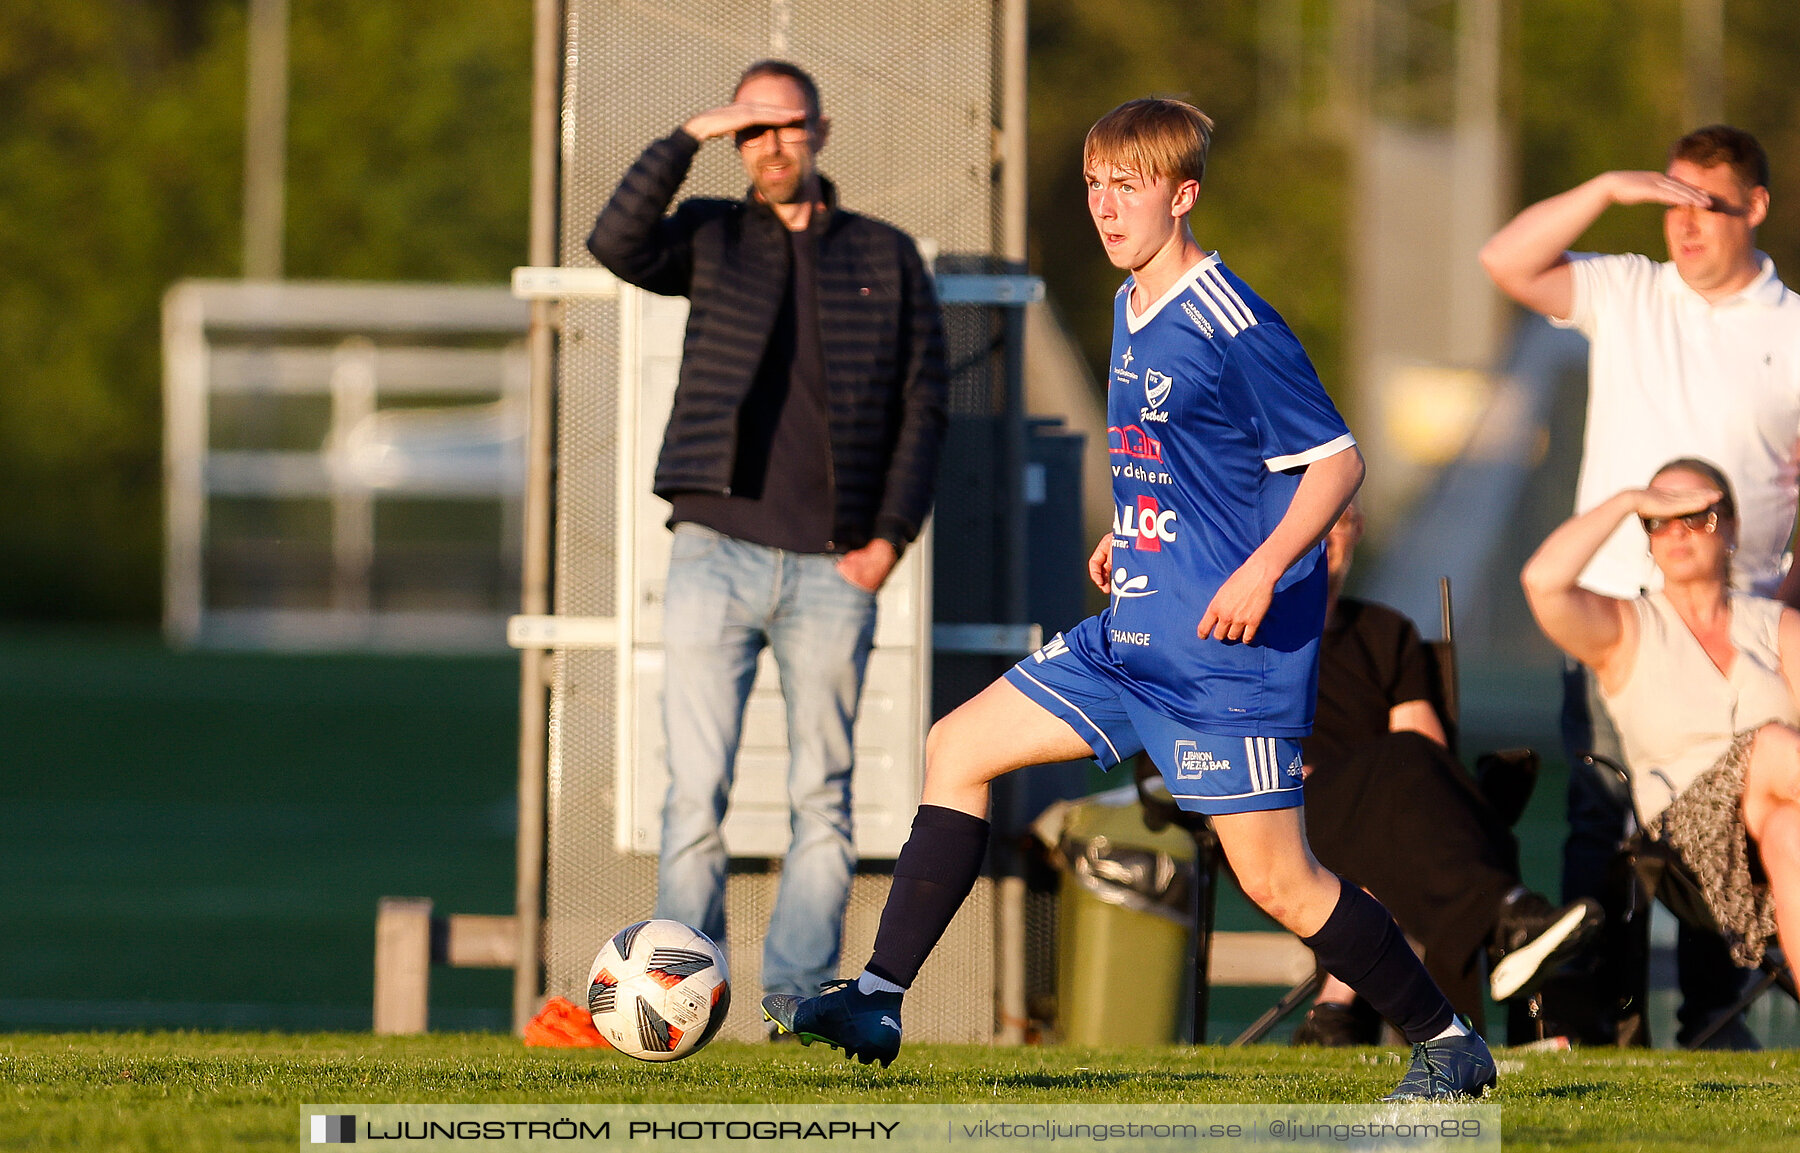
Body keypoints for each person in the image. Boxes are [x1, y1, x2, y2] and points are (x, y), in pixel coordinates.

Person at [765, 97, 1495, 1101]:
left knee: (1278, 880)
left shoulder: (1231, 319)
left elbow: (1335, 466)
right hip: (1132, 633)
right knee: (958, 746)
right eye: (1096, 186)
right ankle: (880, 997)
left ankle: (1447, 1040)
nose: (1107, 207)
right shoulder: (1128, 302)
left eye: (1130, 187)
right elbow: (1184, 463)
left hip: (1217, 659)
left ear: (1183, 195)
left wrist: (1259, 569)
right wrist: (1137, 527)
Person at [586, 61, 948, 1016]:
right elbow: (613, 241)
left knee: (822, 799)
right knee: (692, 797)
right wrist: (688, 132)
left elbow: (925, 404)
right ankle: (678, 1000)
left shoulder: (885, 253)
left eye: (784, 126)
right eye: (750, 130)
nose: (769, 145)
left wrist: (888, 540)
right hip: (716, 547)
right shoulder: (710, 235)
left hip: (838, 567)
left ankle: (796, 1005)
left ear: (820, 131)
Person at [1480, 125, 1800, 1045]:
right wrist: (1608, 185)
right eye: (1671, 205)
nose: (1684, 227)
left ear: (1757, 206)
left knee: (1743, 820)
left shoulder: (1788, 327)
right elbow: (1506, 258)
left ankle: (1716, 1018)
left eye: (1706, 206)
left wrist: (1784, 604)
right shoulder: (1630, 290)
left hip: (1741, 630)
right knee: (1603, 815)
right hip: (1617, 616)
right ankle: (1599, 1017)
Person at [1291, 503, 1602, 1045]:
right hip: (1286, 815)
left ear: (1358, 526)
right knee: (1426, 812)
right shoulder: (1242, 631)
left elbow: (1426, 753)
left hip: (1391, 821)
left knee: (1420, 809)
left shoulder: (1386, 633)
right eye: (1303, 520)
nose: (1320, 535)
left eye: (1334, 519)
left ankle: (1339, 1011)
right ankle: (1511, 925)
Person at [1520, 458, 1800, 1010]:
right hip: (1683, 845)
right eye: (1659, 518)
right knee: (1771, 744)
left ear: (1733, 531)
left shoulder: (1776, 625)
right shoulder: (1627, 629)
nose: (1676, 530)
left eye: (1697, 516)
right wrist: (1627, 499)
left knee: (1791, 831)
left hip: (1771, 831)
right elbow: (1541, 581)